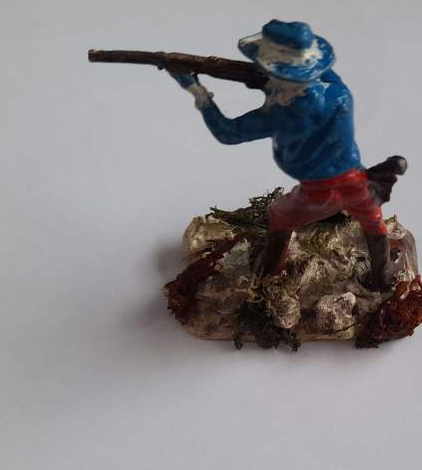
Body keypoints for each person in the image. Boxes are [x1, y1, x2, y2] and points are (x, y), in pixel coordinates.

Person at [170, 19, 404, 291]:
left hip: (319, 192)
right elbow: (315, 77)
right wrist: (262, 77)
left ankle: (269, 274)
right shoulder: (340, 92)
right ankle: (383, 274)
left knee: (278, 216)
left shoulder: (278, 114)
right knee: (373, 223)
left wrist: (197, 91)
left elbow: (228, 132)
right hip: (359, 180)